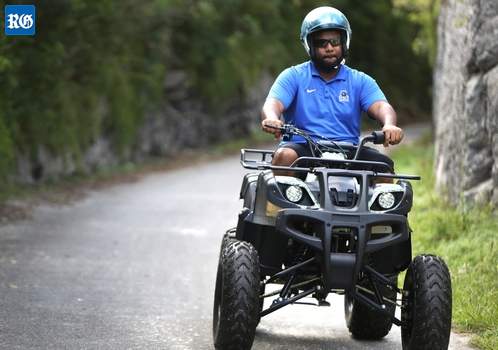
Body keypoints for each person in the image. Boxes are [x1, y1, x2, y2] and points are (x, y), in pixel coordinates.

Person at [261, 6, 403, 175]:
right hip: (303, 148)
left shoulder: (360, 80)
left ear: (344, 42)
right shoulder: (293, 76)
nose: (329, 47)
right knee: (284, 156)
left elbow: (381, 106)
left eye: (334, 42)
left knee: (383, 166)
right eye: (321, 43)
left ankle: (378, 202)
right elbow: (273, 103)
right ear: (309, 45)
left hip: (349, 150)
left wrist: (389, 125)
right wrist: (271, 119)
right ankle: (277, 202)